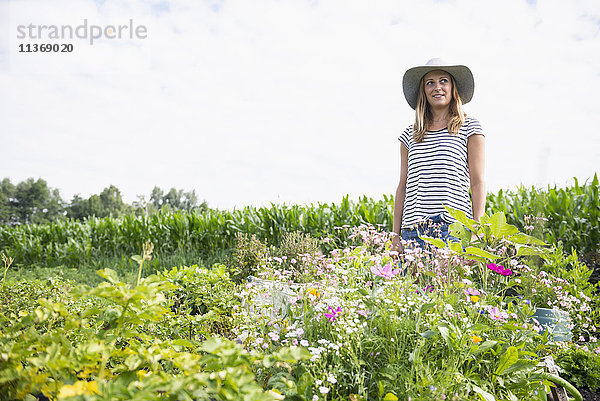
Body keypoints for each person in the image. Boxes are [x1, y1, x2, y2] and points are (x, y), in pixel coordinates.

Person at [391, 58, 485, 256]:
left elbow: (477, 183)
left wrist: (477, 230)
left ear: (453, 87)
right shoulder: (409, 135)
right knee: (414, 288)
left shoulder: (470, 127)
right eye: (430, 83)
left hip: (453, 229)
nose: (437, 87)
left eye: (443, 81)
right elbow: (403, 186)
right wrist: (395, 236)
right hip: (413, 231)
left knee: (450, 287)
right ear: (423, 91)